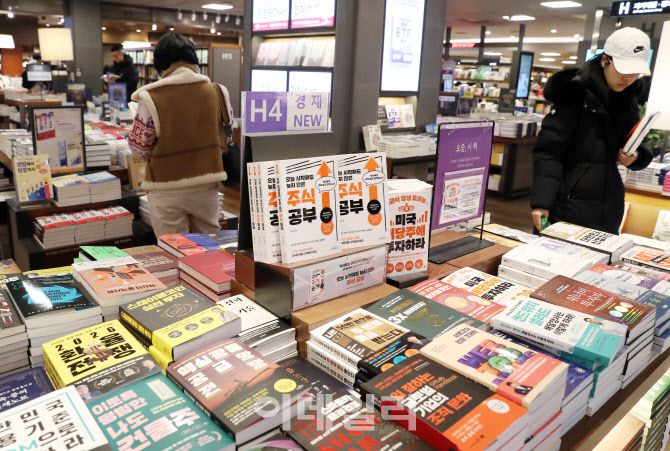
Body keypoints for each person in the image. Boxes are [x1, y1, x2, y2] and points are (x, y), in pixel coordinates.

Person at [530, 27, 654, 235]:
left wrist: (636, 156)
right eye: (624, 70)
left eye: (635, 73)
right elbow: (549, 152)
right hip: (567, 206)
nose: (629, 78)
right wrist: (541, 202)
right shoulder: (573, 96)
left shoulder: (628, 100)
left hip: (609, 206)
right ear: (605, 60)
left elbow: (635, 141)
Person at [128, 32, 231, 237]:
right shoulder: (218, 92)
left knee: (173, 247)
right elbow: (225, 135)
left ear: (161, 65)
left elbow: (139, 149)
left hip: (166, 186)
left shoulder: (150, 98)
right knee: (209, 246)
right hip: (207, 183)